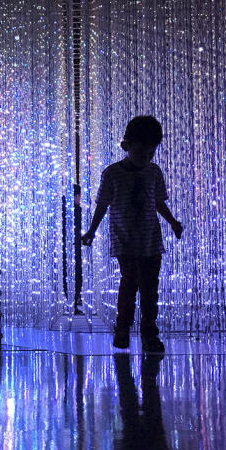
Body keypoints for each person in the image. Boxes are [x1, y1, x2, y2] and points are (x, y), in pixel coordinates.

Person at [81, 116, 183, 352]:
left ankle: (149, 333)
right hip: (125, 241)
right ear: (125, 145)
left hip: (150, 241)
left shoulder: (154, 172)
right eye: (141, 152)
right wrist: (92, 231)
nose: (145, 158)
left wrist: (173, 222)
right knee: (129, 285)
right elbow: (102, 205)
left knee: (150, 289)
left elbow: (157, 202)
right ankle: (123, 328)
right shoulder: (112, 174)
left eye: (150, 153)